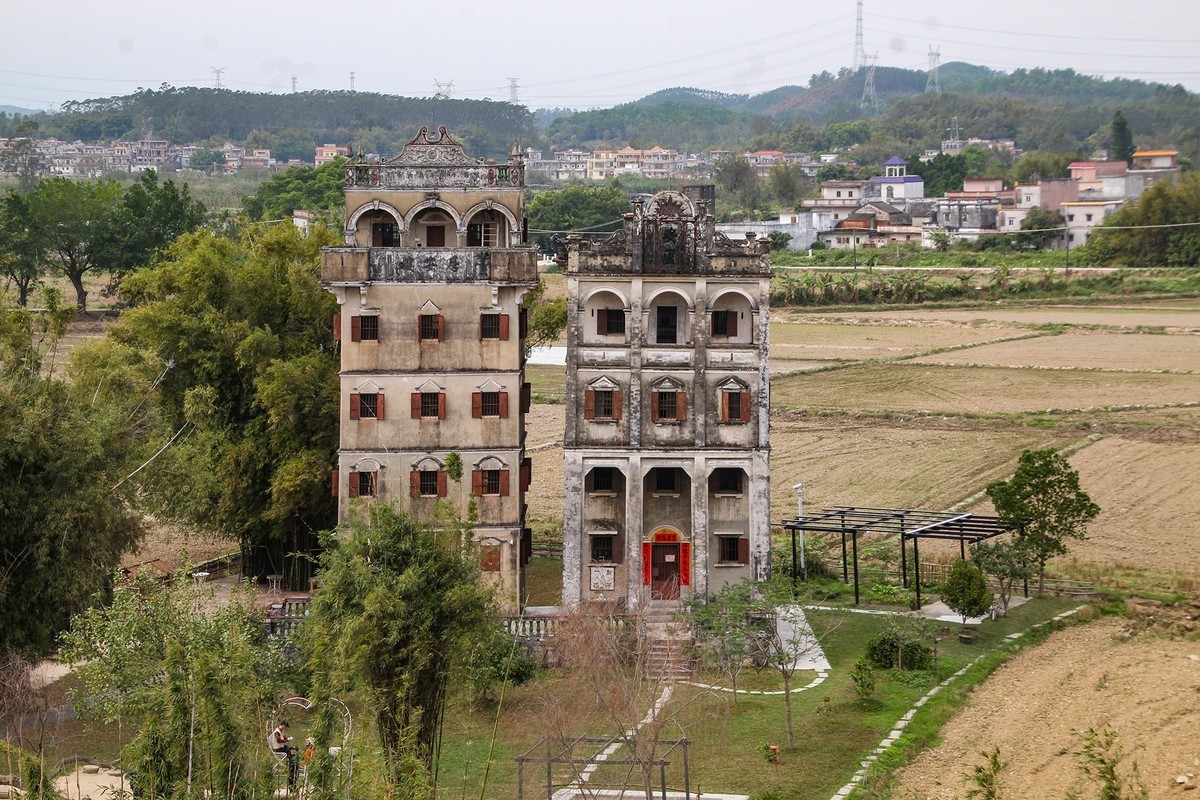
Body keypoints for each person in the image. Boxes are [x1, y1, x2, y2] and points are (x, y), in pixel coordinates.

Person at [270, 720, 298, 789]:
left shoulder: (281, 731)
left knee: (290, 748)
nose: (285, 728)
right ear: (282, 725)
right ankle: (291, 762)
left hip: (281, 746)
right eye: (285, 726)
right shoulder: (277, 732)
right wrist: (287, 740)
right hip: (277, 748)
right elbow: (278, 740)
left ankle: (292, 760)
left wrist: (287, 739)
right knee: (289, 751)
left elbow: (283, 737)